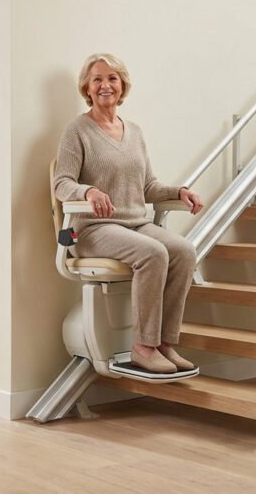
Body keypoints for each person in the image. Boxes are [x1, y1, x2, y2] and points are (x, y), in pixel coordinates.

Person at [54, 53, 203, 374]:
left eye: (112, 78)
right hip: (93, 230)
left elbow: (148, 186)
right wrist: (88, 191)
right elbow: (61, 183)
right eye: (97, 79)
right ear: (87, 88)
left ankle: (164, 344)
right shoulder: (77, 130)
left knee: (183, 251)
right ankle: (143, 348)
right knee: (153, 253)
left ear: (122, 87)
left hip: (134, 223)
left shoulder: (134, 131)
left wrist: (178, 192)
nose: (105, 85)